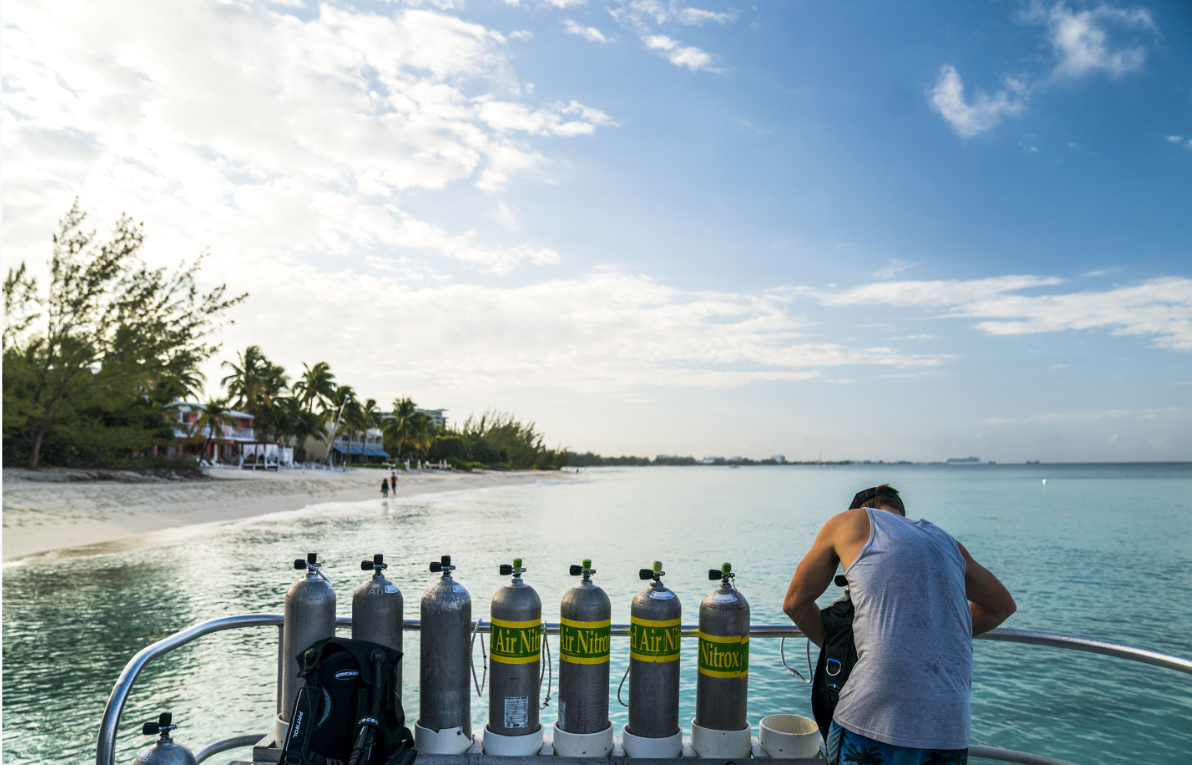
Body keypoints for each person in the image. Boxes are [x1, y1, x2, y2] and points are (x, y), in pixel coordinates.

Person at [782, 485, 1016, 765]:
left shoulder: (850, 522)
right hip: (950, 725)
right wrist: (931, 634)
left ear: (862, 509)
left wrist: (842, 643)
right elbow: (1002, 607)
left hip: (874, 716)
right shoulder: (946, 541)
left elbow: (794, 602)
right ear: (901, 515)